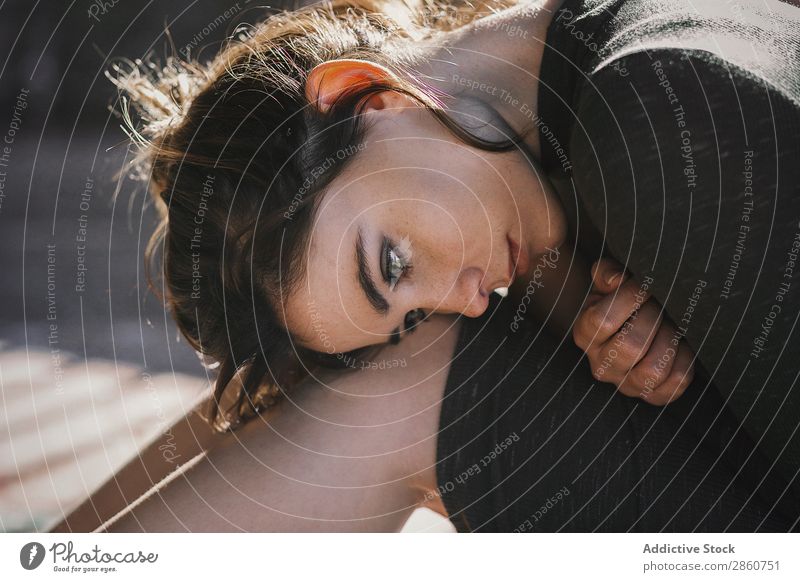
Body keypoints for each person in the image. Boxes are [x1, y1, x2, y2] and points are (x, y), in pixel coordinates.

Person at [52, 0, 799, 532]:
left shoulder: (658, 133)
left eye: (395, 260)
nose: (467, 303)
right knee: (366, 371)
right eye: (410, 307)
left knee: (400, 396)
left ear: (359, 93)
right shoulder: (583, 95)